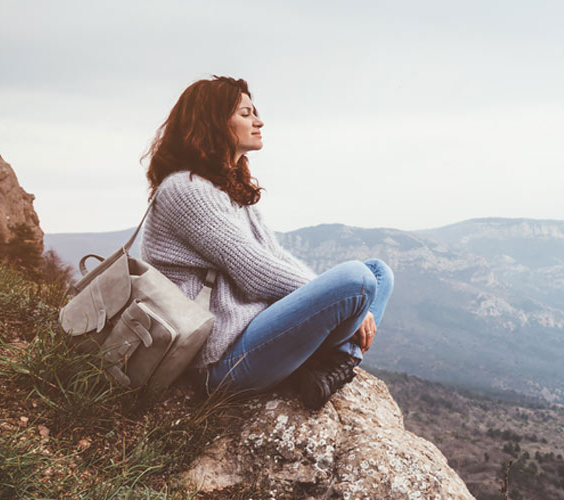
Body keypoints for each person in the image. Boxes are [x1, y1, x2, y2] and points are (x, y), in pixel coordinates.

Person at [139, 75, 393, 410]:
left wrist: (342, 298)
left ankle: (326, 366)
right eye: (245, 114)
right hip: (217, 360)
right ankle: (334, 360)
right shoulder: (185, 190)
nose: (258, 121)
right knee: (358, 281)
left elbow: (275, 256)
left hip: (252, 336)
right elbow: (256, 271)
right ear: (213, 123)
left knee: (377, 272)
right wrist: (351, 299)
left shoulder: (225, 189)